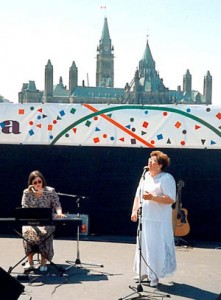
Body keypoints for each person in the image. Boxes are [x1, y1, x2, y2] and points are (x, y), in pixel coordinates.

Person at [131, 150, 176, 287]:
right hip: (145, 219)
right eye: (149, 160)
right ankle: (143, 272)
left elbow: (170, 199)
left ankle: (154, 276)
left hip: (159, 221)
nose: (149, 163)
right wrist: (134, 210)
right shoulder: (145, 177)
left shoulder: (167, 178)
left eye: (153, 161)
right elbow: (138, 195)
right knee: (144, 246)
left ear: (160, 165)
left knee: (156, 249)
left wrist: (153, 198)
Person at [21, 170, 65, 272]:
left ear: (42, 181)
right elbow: (24, 207)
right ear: (31, 184)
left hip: (46, 222)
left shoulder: (50, 191)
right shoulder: (26, 192)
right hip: (31, 222)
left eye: (39, 182)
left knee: (45, 233)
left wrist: (59, 212)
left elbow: (56, 204)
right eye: (35, 182)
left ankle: (43, 263)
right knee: (27, 232)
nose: (37, 184)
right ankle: (30, 262)